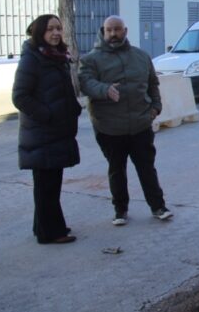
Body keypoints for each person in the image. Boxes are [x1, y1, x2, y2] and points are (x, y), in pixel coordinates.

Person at [79, 15, 173, 226]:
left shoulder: (141, 56)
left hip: (140, 125)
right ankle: (120, 210)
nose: (113, 34)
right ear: (103, 32)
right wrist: (104, 90)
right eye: (109, 30)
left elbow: (152, 84)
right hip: (109, 128)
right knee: (116, 170)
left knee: (147, 168)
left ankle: (158, 207)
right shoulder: (90, 60)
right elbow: (86, 83)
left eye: (117, 29)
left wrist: (156, 107)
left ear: (125, 31)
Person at [12, 14, 81, 244]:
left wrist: (73, 108)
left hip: (56, 132)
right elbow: (20, 96)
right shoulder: (32, 58)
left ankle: (44, 226)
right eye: (50, 29)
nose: (55, 33)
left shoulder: (56, 56)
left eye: (58, 28)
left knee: (50, 184)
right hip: (42, 133)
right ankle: (51, 232)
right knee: (46, 186)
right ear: (40, 32)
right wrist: (47, 115)